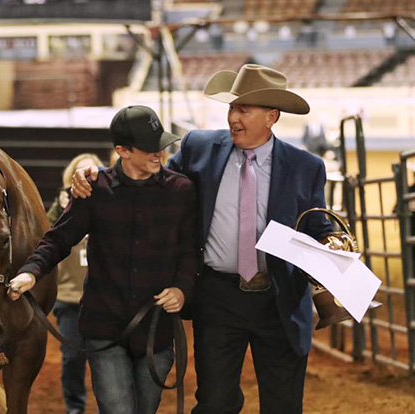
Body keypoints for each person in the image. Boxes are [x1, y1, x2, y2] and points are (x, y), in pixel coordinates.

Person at [70, 64, 332, 414]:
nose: (233, 118)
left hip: (279, 299)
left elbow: (319, 225)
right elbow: (149, 177)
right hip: (219, 297)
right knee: (214, 403)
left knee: (283, 404)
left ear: (271, 116)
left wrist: (334, 246)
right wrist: (97, 174)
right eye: (231, 108)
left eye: (244, 110)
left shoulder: (306, 166)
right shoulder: (199, 147)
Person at [8, 105, 199, 414]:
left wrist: (182, 289)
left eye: (161, 146)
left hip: (156, 330)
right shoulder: (94, 189)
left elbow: (190, 252)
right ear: (122, 150)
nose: (159, 154)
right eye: (150, 148)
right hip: (104, 329)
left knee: (145, 409)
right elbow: (59, 238)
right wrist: (31, 272)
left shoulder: (182, 191)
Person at [46, 153, 103, 414]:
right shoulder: (60, 210)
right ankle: (75, 409)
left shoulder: (109, 205)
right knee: (72, 359)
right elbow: (47, 238)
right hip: (70, 298)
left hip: (105, 297)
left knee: (108, 360)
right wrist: (61, 207)